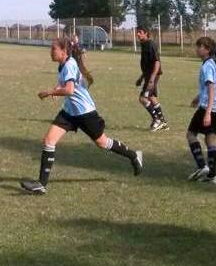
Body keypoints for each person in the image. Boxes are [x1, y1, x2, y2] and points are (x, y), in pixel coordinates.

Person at [20, 36, 143, 194]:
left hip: (85, 112)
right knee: (49, 140)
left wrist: (50, 91)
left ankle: (134, 155)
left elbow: (70, 90)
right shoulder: (64, 64)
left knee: (102, 142)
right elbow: (66, 84)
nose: (50, 52)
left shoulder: (69, 65)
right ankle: (41, 184)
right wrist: (57, 87)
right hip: (70, 112)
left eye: (53, 49)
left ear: (63, 51)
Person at [186, 36, 216, 184]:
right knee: (210, 140)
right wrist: (198, 97)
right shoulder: (213, 63)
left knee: (191, 134)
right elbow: (209, 87)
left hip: (210, 108)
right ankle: (212, 176)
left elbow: (212, 88)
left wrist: (208, 112)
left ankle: (202, 166)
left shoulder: (207, 66)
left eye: (200, 46)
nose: (197, 49)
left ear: (207, 50)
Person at [135, 26, 168, 131]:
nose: (138, 34)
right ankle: (163, 122)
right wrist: (141, 78)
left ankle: (156, 120)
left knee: (143, 98)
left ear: (146, 33)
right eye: (137, 32)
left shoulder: (150, 44)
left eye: (140, 32)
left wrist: (151, 79)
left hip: (152, 76)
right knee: (152, 97)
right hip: (148, 75)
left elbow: (157, 62)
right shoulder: (144, 44)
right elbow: (147, 65)